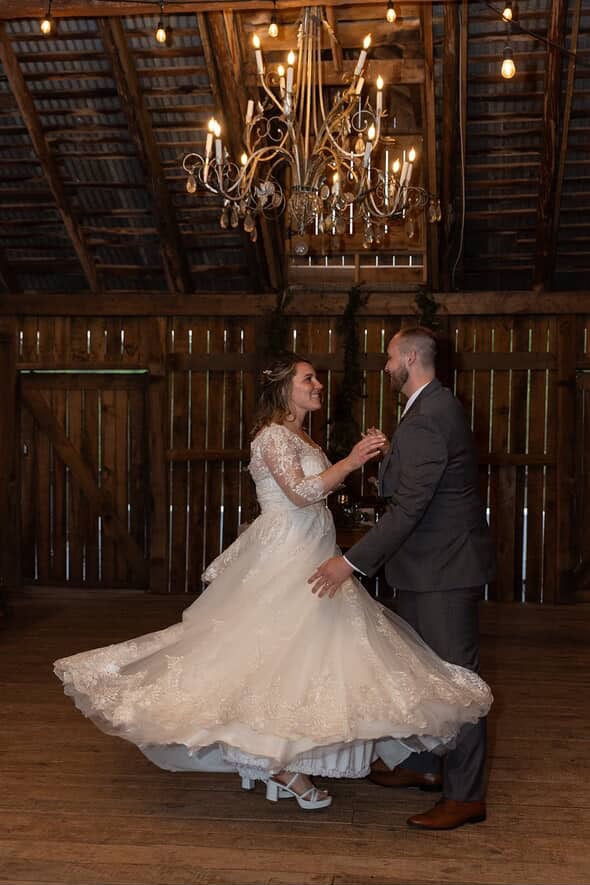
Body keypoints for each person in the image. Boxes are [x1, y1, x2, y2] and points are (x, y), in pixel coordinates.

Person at [54, 352, 492, 813]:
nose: (319, 384)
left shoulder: (302, 435)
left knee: (313, 658)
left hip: (315, 550)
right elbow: (300, 493)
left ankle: (287, 757)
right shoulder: (271, 437)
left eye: (318, 378)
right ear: (286, 389)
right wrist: (350, 461)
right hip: (287, 558)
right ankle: (273, 762)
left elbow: (319, 489)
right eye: (309, 379)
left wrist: (364, 461)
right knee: (271, 654)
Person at [309, 327, 496, 830]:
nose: (385, 363)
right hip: (428, 566)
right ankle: (423, 766)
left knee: (458, 683)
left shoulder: (431, 415)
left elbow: (411, 506)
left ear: (410, 357)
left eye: (390, 356)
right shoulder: (427, 409)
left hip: (443, 569)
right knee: (423, 671)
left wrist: (349, 563)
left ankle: (464, 795)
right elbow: (413, 483)